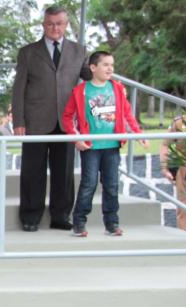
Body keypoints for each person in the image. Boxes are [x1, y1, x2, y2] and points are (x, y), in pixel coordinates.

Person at [12, 5, 90, 232]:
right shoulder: (28, 52)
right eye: (50, 24)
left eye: (59, 24)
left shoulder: (79, 51)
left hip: (67, 121)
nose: (55, 28)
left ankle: (61, 216)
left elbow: (90, 78)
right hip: (35, 120)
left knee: (64, 172)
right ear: (43, 25)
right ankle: (30, 216)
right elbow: (18, 89)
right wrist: (19, 121)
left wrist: (110, 81)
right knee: (32, 170)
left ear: (66, 25)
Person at [62, 51, 146, 237]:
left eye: (112, 65)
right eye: (105, 65)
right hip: (91, 147)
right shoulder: (81, 91)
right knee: (89, 184)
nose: (110, 69)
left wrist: (138, 133)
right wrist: (77, 138)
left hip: (112, 146)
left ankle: (111, 224)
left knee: (112, 185)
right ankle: (79, 223)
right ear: (93, 67)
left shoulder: (117, 88)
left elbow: (127, 114)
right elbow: (68, 117)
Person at [160, 115, 186, 231]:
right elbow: (165, 144)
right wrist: (164, 167)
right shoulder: (179, 122)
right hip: (184, 170)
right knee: (183, 210)